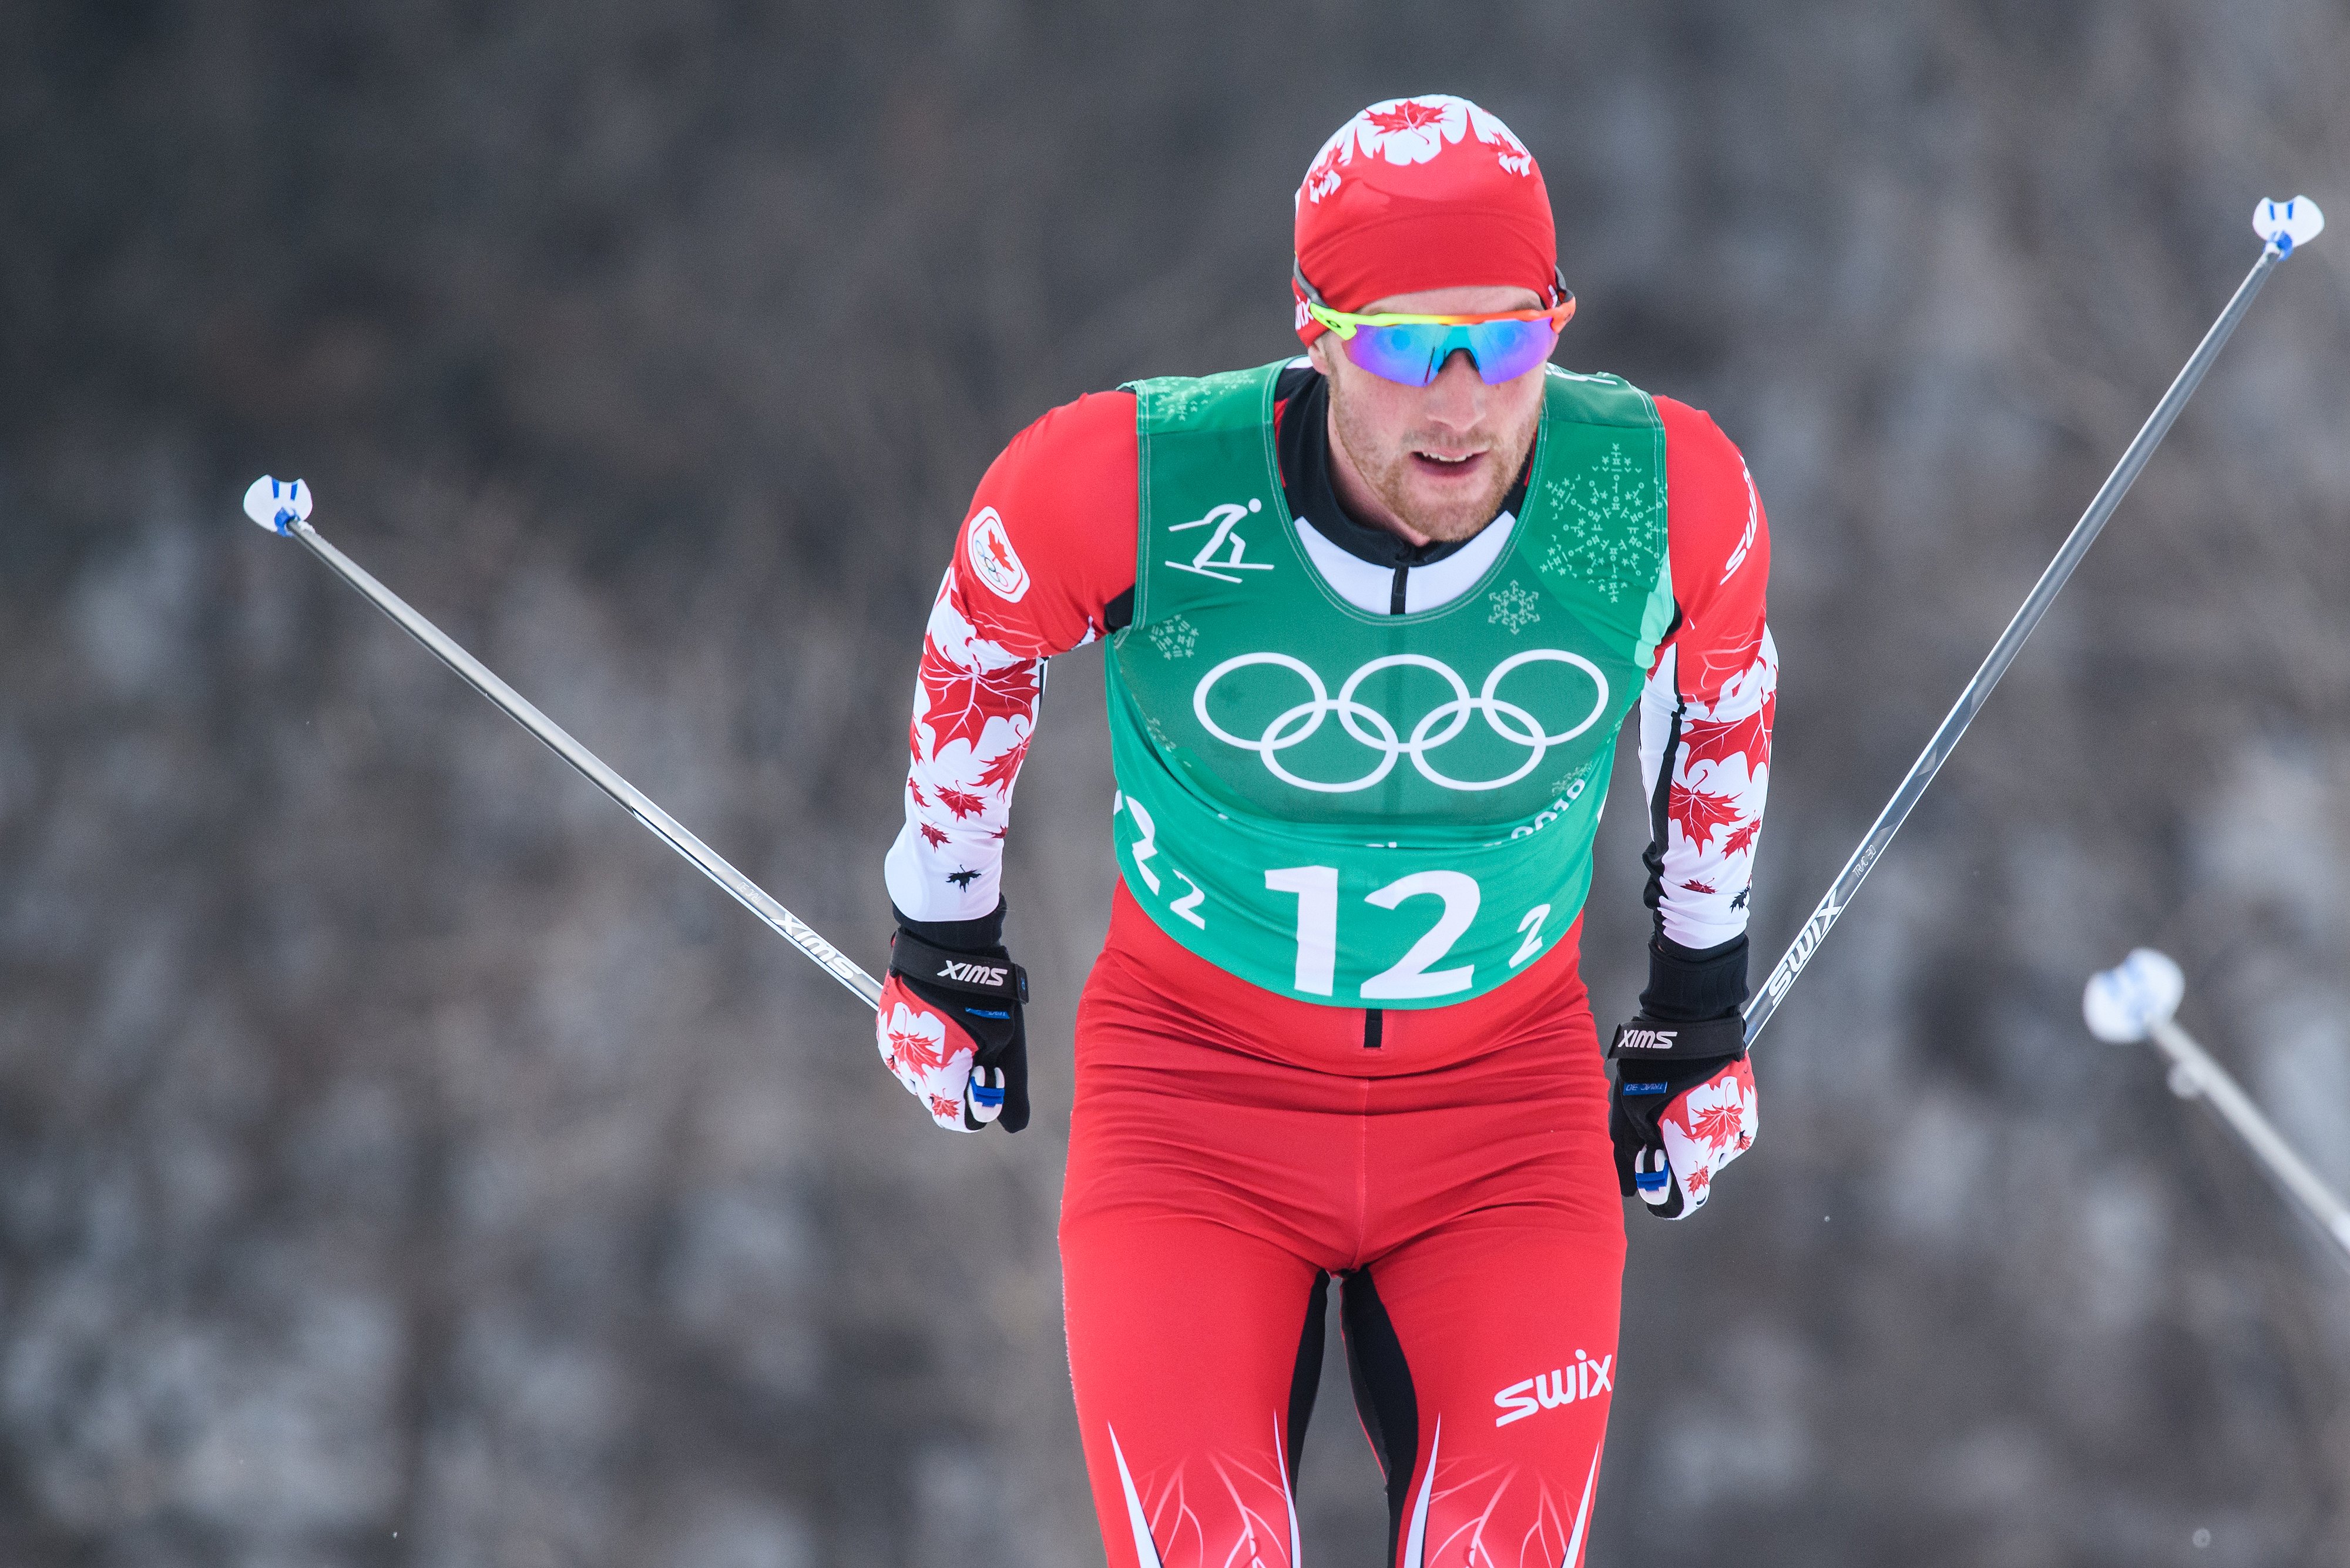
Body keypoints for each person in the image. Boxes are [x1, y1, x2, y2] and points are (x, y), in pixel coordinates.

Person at [874, 95, 1775, 1568]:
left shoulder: (1652, 496)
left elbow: (1722, 693)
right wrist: (946, 932)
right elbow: (980, 632)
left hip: (1503, 1122)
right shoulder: (1138, 484)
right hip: (1192, 1113)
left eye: (1507, 340)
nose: (1463, 401)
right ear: (1315, 329)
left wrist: (1695, 1004)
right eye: (1409, 346)